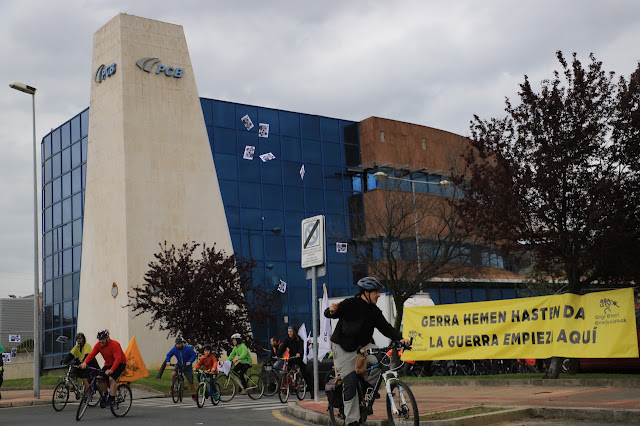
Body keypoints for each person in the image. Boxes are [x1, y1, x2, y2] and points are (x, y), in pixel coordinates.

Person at [324, 277, 410, 426]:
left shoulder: (374, 311)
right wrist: (331, 310)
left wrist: (400, 339)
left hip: (363, 347)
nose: (378, 295)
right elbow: (331, 313)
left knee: (384, 359)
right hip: (344, 348)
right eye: (376, 292)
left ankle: (367, 389)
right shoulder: (351, 304)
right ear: (366, 293)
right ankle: (352, 421)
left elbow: (386, 327)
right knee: (350, 381)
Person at [80, 329, 127, 406]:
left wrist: (111, 370)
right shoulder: (98, 345)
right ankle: (105, 395)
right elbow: (91, 354)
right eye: (100, 339)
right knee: (99, 378)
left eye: (103, 339)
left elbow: (118, 359)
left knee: (111, 378)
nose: (101, 341)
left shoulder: (115, 344)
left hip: (120, 363)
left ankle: (112, 398)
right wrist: (85, 362)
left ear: (107, 338)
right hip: (108, 363)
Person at [276, 326, 313, 398]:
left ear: (294, 332)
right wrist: (278, 355)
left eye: (291, 331)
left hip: (299, 358)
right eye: (288, 331)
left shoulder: (299, 339)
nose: (289, 333)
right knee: (287, 369)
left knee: (304, 373)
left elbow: (302, 347)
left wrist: (299, 353)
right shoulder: (287, 339)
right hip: (292, 357)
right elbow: (282, 347)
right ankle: (290, 382)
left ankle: (311, 391)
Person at [165, 336, 197, 401]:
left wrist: (190, 361)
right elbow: (168, 355)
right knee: (173, 374)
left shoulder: (188, 348)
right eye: (177, 344)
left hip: (187, 366)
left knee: (190, 381)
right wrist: (168, 361)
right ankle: (172, 386)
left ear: (182, 343)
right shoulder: (174, 349)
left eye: (179, 344)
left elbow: (194, 355)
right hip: (179, 364)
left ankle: (193, 394)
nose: (178, 345)